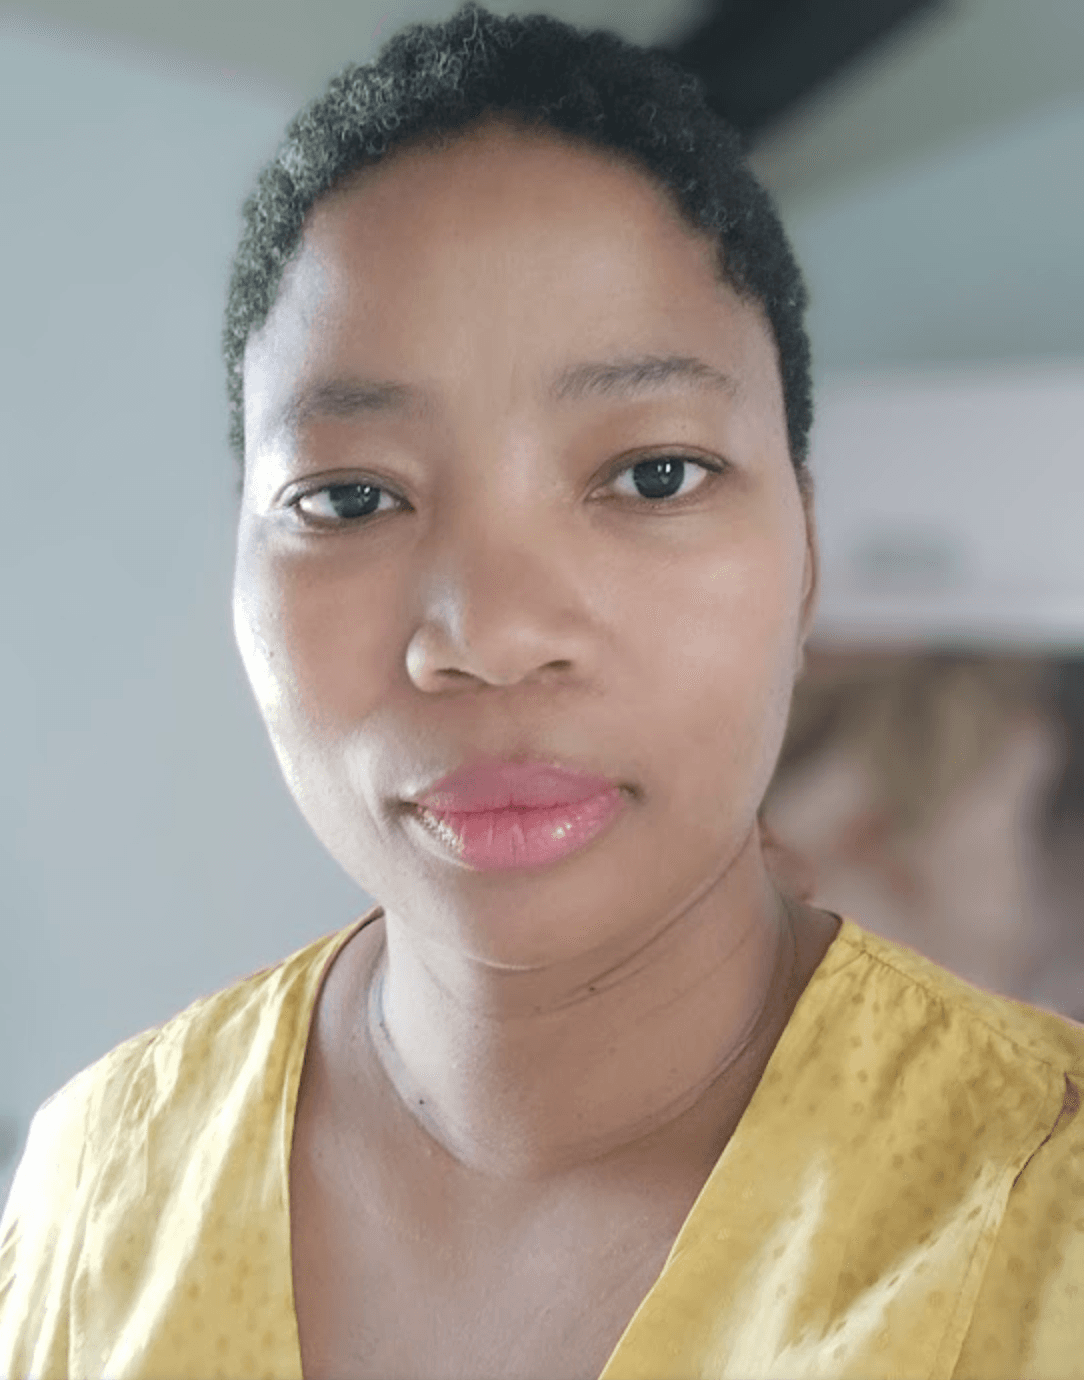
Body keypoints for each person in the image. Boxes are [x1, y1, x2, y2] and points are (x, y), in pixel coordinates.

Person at [1, 6, 1081, 1377]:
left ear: (806, 556)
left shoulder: (1048, 1212)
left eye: (651, 475)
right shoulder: (96, 1190)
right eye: (350, 495)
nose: (494, 635)